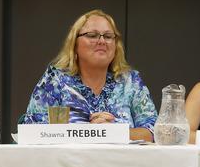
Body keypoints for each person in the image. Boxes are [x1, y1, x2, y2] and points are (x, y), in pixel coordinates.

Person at [22, 9, 157, 141]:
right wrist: (93, 133)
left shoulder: (130, 81)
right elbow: (31, 130)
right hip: (68, 162)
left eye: (108, 36)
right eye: (92, 35)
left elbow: (154, 131)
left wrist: (114, 131)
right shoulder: (55, 80)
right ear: (74, 44)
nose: (102, 41)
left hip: (122, 162)